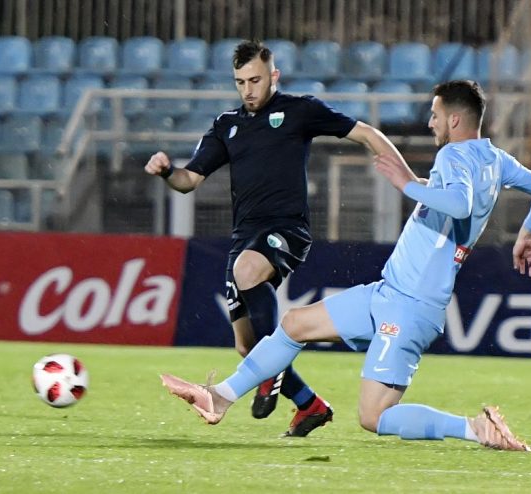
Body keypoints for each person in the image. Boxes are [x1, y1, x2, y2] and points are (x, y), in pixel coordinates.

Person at [160, 80, 531, 450]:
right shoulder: (496, 160)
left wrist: (406, 184)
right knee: (295, 324)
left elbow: (460, 204)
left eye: (435, 115)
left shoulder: (453, 155)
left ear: (454, 120)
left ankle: (475, 428)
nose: (430, 122)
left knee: (374, 417)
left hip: (410, 305)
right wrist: (527, 232)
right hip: (390, 293)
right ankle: (219, 398)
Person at [145, 40, 410, 437]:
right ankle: (310, 405)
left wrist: (408, 179)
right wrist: (167, 171)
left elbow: (366, 133)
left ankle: (271, 377)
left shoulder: (300, 110)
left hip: (287, 230)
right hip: (244, 237)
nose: (248, 90)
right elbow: (189, 181)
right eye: (240, 82)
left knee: (247, 269)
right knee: (246, 346)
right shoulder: (226, 126)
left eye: (255, 80)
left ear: (274, 76)